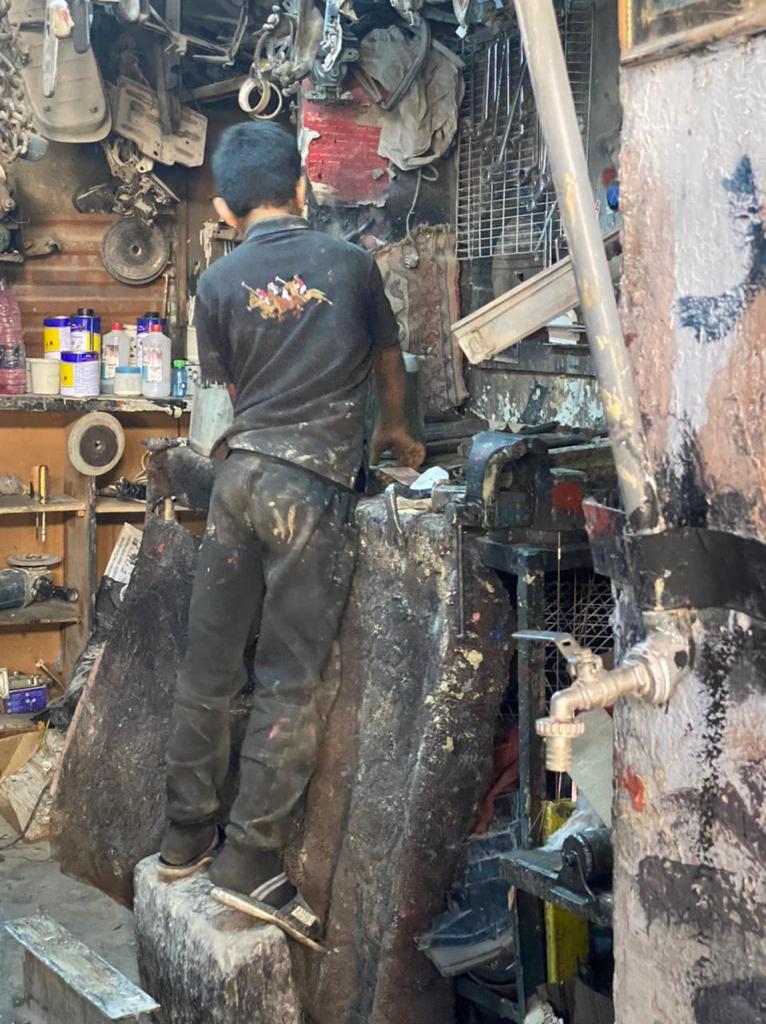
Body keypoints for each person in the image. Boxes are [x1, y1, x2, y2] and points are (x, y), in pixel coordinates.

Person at [158, 121, 425, 948]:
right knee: (289, 679)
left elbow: (222, 398)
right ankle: (249, 860)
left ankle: (183, 839)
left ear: (226, 208)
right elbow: (390, 361)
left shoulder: (215, 282)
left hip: (239, 481)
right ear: (301, 187)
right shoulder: (352, 265)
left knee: (210, 664)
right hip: (311, 489)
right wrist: (392, 430)